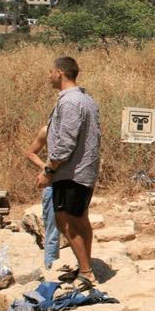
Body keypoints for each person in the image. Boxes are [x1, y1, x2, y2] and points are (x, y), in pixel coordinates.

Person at [34, 56, 101, 290]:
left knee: (66, 221)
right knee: (79, 219)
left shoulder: (70, 102)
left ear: (60, 72)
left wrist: (48, 170)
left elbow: (65, 144)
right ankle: (84, 267)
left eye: (50, 71)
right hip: (83, 170)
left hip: (72, 172)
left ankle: (87, 273)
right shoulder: (86, 100)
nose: (49, 76)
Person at [25, 125, 60, 270]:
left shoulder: (75, 128)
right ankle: (50, 267)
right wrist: (45, 169)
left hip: (73, 183)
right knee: (52, 229)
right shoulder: (48, 130)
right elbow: (31, 152)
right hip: (52, 184)